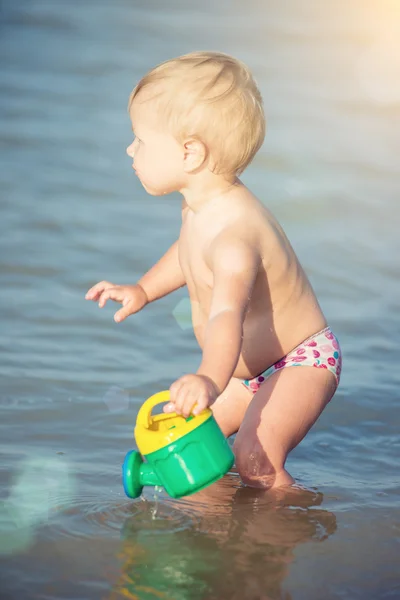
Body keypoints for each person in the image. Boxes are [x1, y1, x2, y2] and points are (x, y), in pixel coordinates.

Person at [85, 51, 342, 490]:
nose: (131, 149)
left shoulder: (234, 238)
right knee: (189, 444)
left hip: (299, 360)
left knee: (255, 458)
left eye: (140, 140)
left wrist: (208, 378)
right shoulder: (202, 209)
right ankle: (223, 531)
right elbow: (186, 252)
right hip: (246, 373)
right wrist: (144, 289)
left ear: (190, 152)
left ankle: (288, 531)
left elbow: (227, 316)